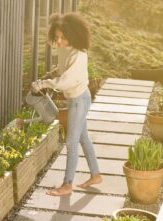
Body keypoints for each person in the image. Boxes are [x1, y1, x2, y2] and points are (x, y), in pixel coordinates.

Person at [31, 12, 102, 196]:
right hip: (75, 99)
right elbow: (63, 69)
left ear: (74, 35)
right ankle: (96, 175)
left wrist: (43, 84)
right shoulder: (65, 48)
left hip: (79, 100)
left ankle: (67, 185)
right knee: (83, 138)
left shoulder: (79, 55)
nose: (60, 42)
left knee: (71, 142)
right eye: (57, 37)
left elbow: (66, 81)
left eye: (63, 38)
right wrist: (52, 73)